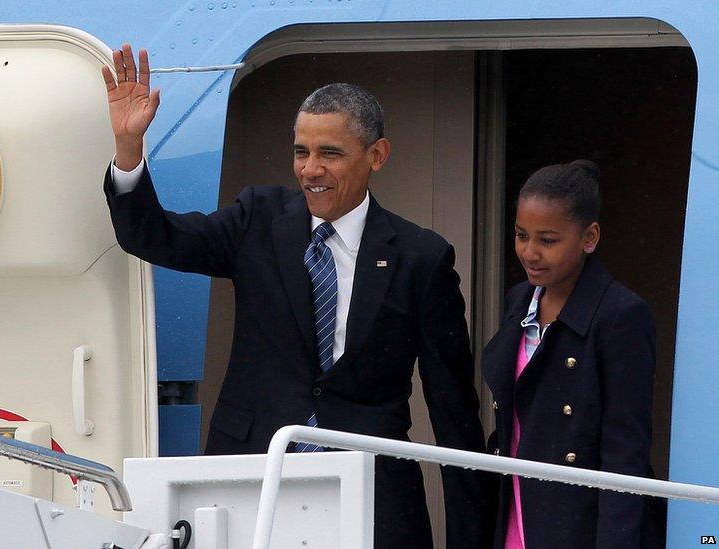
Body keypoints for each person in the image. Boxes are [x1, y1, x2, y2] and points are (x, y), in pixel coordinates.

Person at [101, 44, 493, 548]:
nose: (310, 169)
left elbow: (453, 407)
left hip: (371, 485)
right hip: (250, 474)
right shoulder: (257, 218)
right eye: (301, 152)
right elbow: (153, 237)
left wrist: (473, 535)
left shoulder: (422, 257)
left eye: (330, 153)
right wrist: (128, 147)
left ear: (377, 156)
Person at [481, 160, 664, 548]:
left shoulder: (621, 315)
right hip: (514, 503)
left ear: (590, 236)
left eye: (547, 240)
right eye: (520, 235)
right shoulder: (519, 300)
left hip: (576, 518)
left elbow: (625, 452)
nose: (530, 253)